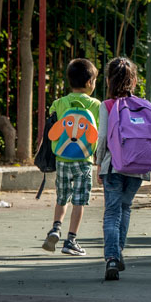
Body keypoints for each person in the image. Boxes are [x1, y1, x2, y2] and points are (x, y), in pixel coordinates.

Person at [97, 57, 151, 281]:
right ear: (134, 80)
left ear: (109, 79)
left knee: (112, 212)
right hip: (139, 168)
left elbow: (102, 138)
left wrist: (99, 162)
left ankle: (112, 257)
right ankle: (118, 252)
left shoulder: (108, 105)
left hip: (113, 166)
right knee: (125, 208)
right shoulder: (145, 105)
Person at [42, 58, 101, 256]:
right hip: (84, 161)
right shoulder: (95, 105)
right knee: (79, 200)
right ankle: (71, 240)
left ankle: (55, 228)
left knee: (62, 196)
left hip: (62, 159)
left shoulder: (59, 103)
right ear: (89, 82)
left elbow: (52, 120)